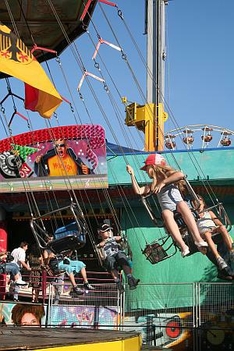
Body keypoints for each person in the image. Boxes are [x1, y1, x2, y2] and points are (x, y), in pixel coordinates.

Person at [126, 154, 208, 258]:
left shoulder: (169, 175)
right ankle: (183, 245)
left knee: (182, 204)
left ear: (153, 166)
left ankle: (198, 239)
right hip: (168, 209)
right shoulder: (153, 184)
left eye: (147, 168)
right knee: (165, 213)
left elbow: (180, 175)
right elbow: (139, 191)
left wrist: (163, 183)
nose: (146, 171)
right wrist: (132, 175)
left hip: (178, 204)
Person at [192, 195, 234, 271]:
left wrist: (216, 227)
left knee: (222, 228)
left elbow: (219, 223)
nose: (198, 207)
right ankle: (218, 257)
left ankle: (231, 251)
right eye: (196, 205)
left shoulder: (209, 212)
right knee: (207, 234)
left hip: (213, 229)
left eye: (200, 205)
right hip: (204, 233)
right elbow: (194, 230)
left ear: (203, 204)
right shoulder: (193, 217)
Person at [96, 223, 140, 293]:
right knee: (111, 260)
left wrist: (114, 238)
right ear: (100, 233)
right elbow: (99, 245)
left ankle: (130, 278)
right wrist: (107, 240)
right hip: (109, 258)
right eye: (106, 231)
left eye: (109, 230)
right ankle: (118, 282)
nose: (108, 232)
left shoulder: (114, 239)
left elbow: (119, 238)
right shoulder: (100, 243)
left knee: (121, 255)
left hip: (117, 256)